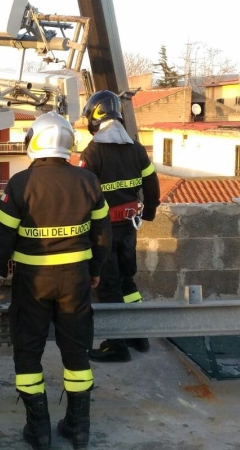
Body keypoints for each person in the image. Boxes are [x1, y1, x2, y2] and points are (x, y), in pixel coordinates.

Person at [0, 112, 111, 450]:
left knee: (28, 354)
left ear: (34, 141)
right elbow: (103, 235)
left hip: (32, 282)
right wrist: (95, 268)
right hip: (76, 281)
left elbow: (0, 241)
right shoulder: (89, 182)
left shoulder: (20, 184)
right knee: (77, 354)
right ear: (68, 143)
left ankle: (38, 431)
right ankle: (79, 429)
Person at [78, 90, 160, 363]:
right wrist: (149, 211)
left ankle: (116, 344)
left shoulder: (93, 152)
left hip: (104, 231)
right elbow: (151, 183)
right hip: (128, 227)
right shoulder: (135, 148)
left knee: (108, 285)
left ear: (94, 117)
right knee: (127, 280)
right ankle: (138, 335)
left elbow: (83, 193)